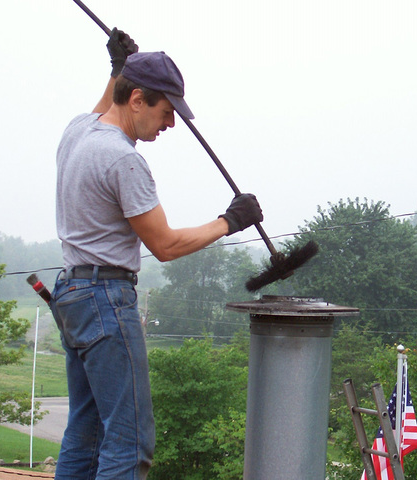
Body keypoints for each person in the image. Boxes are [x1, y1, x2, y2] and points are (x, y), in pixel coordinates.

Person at [49, 29, 263, 480]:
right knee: (130, 441)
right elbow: (164, 246)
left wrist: (116, 69)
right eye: (167, 113)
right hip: (105, 300)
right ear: (138, 99)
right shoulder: (124, 161)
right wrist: (230, 221)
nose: (170, 125)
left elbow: (104, 106)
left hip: (71, 293)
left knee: (86, 430)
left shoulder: (78, 133)